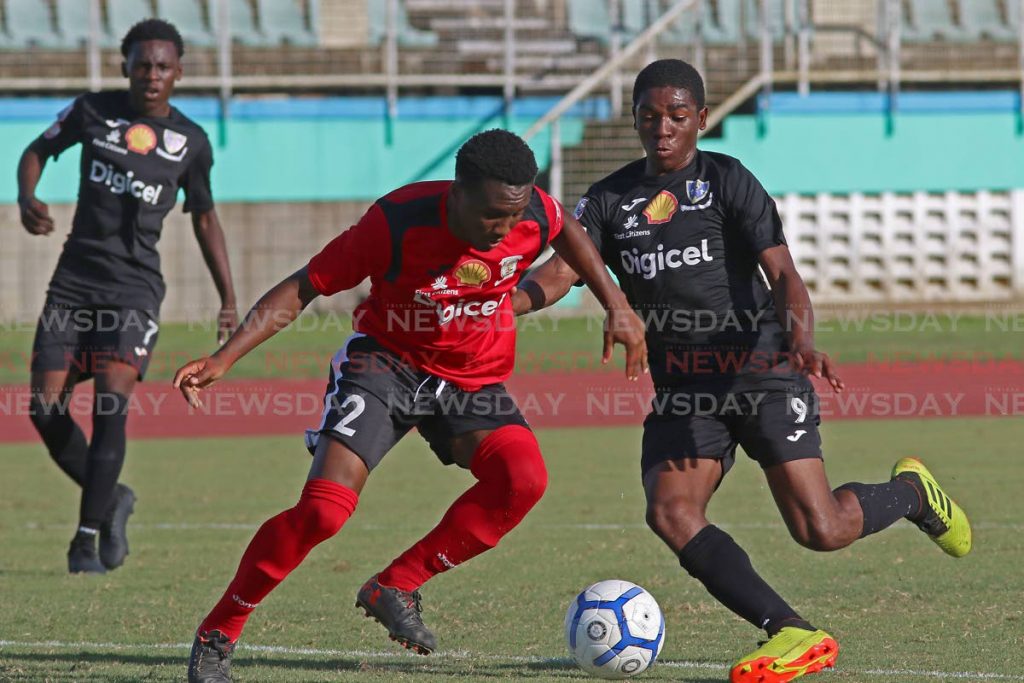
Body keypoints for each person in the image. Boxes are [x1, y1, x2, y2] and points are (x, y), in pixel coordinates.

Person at [514, 59, 971, 683]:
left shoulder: (728, 180)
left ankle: (914, 494)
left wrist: (802, 341)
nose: (663, 128)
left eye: (677, 116)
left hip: (761, 370)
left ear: (701, 119)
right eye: (650, 116)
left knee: (821, 529)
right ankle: (792, 632)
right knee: (671, 511)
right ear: (635, 120)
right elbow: (559, 273)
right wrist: (498, 305)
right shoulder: (608, 199)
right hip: (684, 390)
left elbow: (783, 275)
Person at [172, 129, 647, 683]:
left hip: (471, 376)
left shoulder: (530, 212)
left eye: (513, 216)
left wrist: (616, 304)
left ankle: (395, 584)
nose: (504, 230)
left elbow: (566, 230)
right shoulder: (397, 221)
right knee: (323, 512)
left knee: (523, 480)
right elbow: (305, 286)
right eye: (493, 216)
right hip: (386, 364)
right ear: (458, 193)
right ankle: (219, 631)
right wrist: (225, 358)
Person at [18, 19, 238, 575]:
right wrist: (27, 196)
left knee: (111, 405)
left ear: (179, 73)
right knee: (45, 409)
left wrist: (228, 299)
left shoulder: (190, 142)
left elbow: (205, 218)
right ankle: (112, 497)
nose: (152, 75)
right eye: (142, 64)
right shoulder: (93, 112)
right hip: (73, 283)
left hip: (134, 291)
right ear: (126, 67)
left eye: (163, 66)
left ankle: (85, 538)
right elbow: (36, 150)